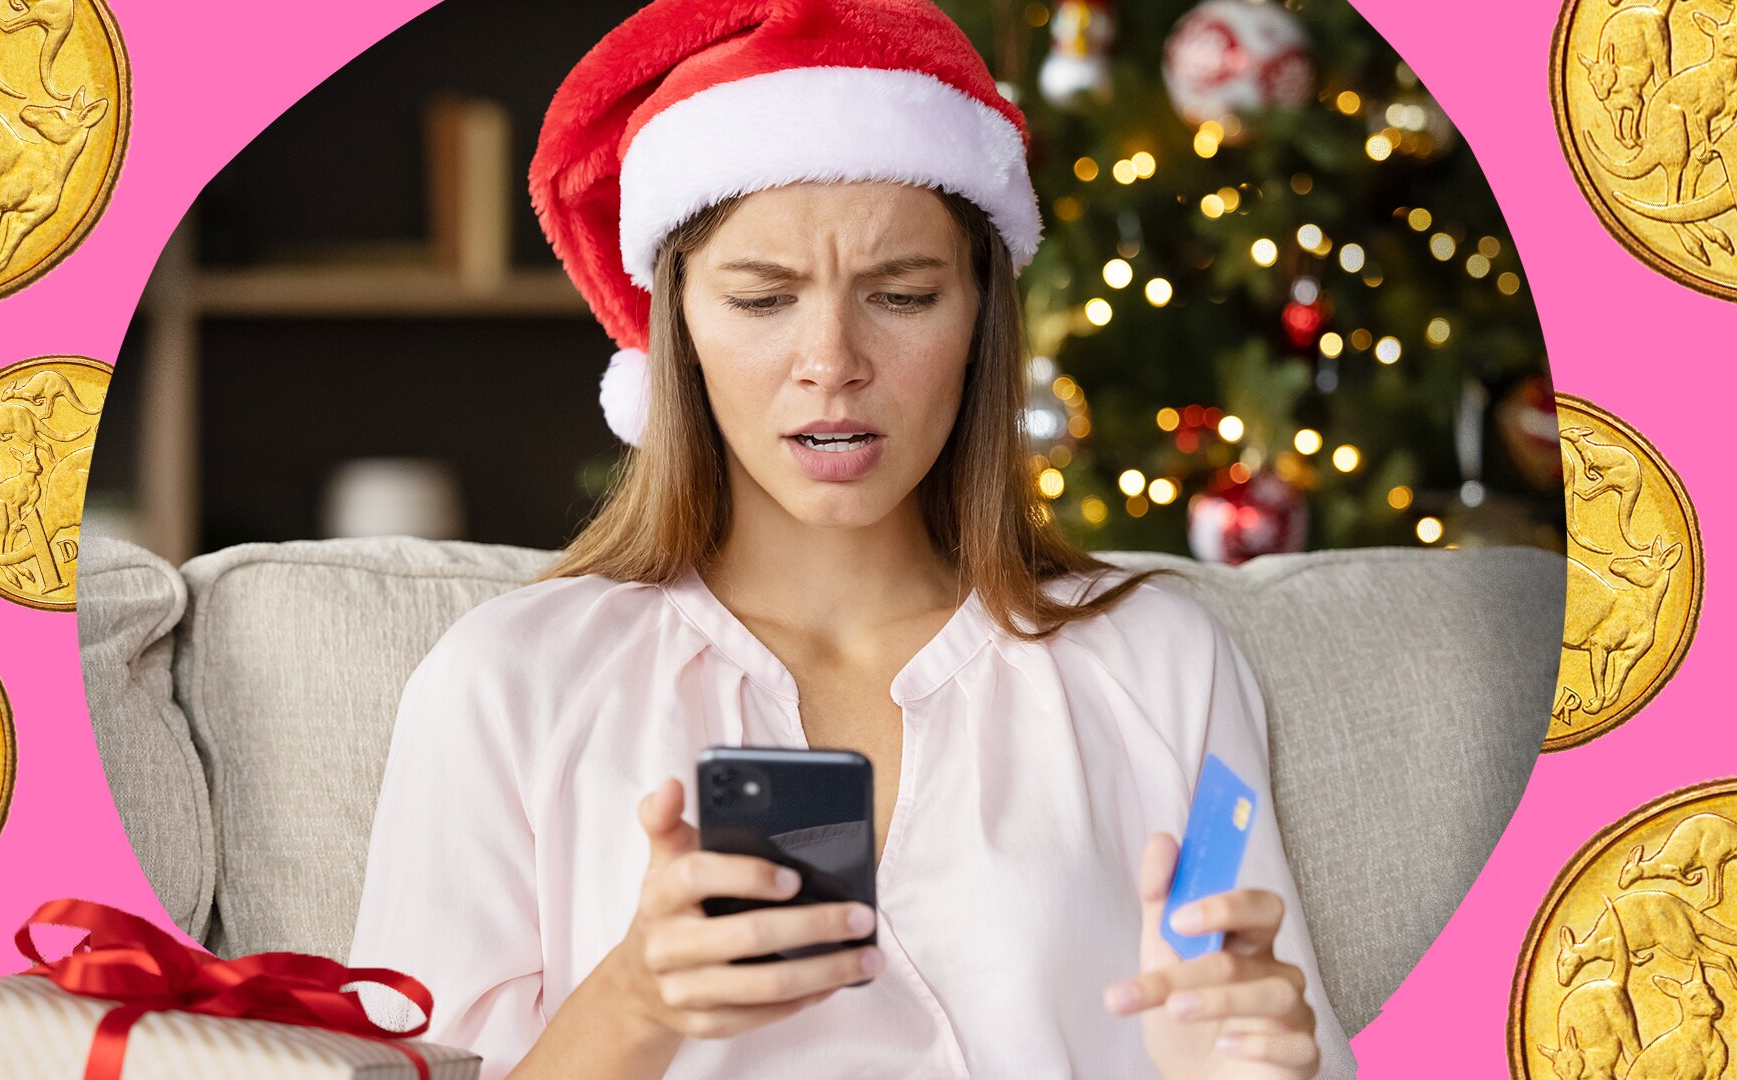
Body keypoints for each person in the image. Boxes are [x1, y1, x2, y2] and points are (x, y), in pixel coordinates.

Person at [348, 1, 1357, 1077]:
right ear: (676, 326)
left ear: (979, 317)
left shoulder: (1155, 662)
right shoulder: (507, 684)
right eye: (762, 298)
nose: (831, 360)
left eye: (901, 294)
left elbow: (1261, 1035)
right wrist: (635, 1002)